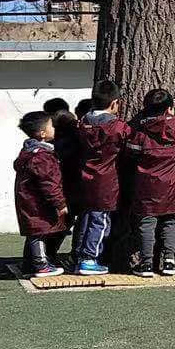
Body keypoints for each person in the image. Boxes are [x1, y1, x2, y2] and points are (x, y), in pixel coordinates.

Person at [124, 88, 175, 276]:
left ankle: (146, 263)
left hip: (147, 186)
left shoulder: (140, 132)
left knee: (146, 223)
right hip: (173, 186)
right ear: (170, 109)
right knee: (170, 222)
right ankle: (169, 260)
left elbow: (131, 152)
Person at [71, 77, 129, 275]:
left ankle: (79, 255)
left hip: (85, 178)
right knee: (100, 220)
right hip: (106, 181)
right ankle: (89, 258)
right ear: (114, 103)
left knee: (86, 217)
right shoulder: (118, 127)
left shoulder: (82, 124)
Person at [13, 109, 67, 276]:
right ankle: (41, 265)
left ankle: (29, 265)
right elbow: (49, 183)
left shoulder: (29, 151)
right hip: (37, 204)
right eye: (52, 126)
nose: (55, 129)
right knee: (39, 233)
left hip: (29, 200)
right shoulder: (42, 157)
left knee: (36, 232)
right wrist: (60, 203)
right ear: (43, 133)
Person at [42, 95, 82, 236]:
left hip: (64, 184)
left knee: (62, 220)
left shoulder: (55, 138)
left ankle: (50, 253)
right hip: (74, 184)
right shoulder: (77, 132)